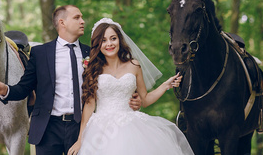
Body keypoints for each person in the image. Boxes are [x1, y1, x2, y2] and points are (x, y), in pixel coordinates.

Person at [0, 6, 141, 155]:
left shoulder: (92, 53)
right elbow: (24, 87)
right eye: (77, 17)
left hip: (82, 127)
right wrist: (7, 90)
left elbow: (114, 75)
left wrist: (135, 97)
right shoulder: (40, 53)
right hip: (47, 128)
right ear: (62, 23)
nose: (82, 21)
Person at [67, 18, 194, 155]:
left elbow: (145, 99)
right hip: (101, 130)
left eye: (113, 38)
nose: (109, 44)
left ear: (120, 40)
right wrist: (80, 139)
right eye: (103, 40)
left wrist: (165, 85)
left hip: (132, 126)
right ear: (98, 44)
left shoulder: (134, 65)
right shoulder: (93, 69)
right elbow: (89, 106)